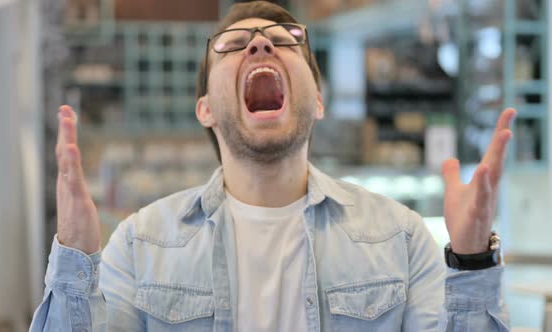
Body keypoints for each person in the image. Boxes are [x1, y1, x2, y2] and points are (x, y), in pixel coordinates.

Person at [30, 1, 515, 331]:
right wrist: (74, 258)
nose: (260, 46)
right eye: (233, 45)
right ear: (205, 109)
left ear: (318, 101)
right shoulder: (141, 245)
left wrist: (471, 260)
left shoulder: (401, 238)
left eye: (285, 42)